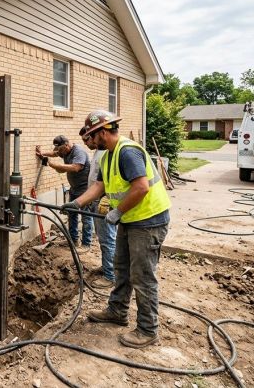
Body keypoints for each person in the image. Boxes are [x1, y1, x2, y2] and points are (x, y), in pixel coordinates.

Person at [63, 110, 171, 348]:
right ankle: (118, 311)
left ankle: (148, 330)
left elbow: (141, 188)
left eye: (92, 135)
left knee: (142, 276)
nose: (90, 141)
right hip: (131, 219)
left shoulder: (127, 152)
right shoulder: (108, 155)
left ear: (103, 132)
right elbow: (100, 185)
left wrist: (117, 211)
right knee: (121, 267)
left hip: (149, 220)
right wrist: (77, 203)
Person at [36, 135, 93, 249]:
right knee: (72, 214)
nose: (59, 152)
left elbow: (75, 168)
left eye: (60, 149)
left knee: (86, 216)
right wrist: (43, 154)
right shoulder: (64, 151)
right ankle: (73, 240)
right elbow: (55, 154)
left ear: (66, 145)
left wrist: (50, 164)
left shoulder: (79, 152)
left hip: (84, 189)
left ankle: (86, 244)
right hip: (74, 188)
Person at [79, 126, 117, 289]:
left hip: (102, 203)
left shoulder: (105, 153)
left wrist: (106, 198)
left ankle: (110, 275)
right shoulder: (98, 152)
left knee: (108, 238)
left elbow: (108, 181)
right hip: (96, 200)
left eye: (88, 139)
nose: (88, 143)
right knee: (104, 238)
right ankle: (107, 267)